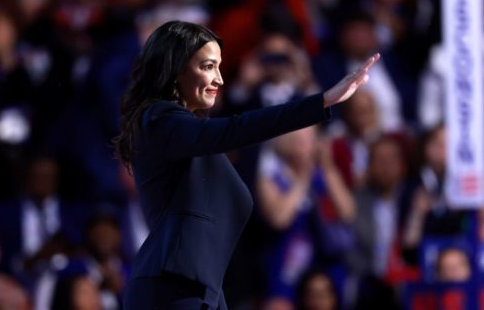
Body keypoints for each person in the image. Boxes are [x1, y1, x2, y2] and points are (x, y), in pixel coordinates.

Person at [115, 20, 379, 309]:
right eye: (207, 67)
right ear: (176, 67)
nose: (219, 79)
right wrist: (321, 102)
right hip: (170, 287)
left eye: (219, 67)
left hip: (200, 287)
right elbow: (236, 129)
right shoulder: (160, 118)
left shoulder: (189, 138)